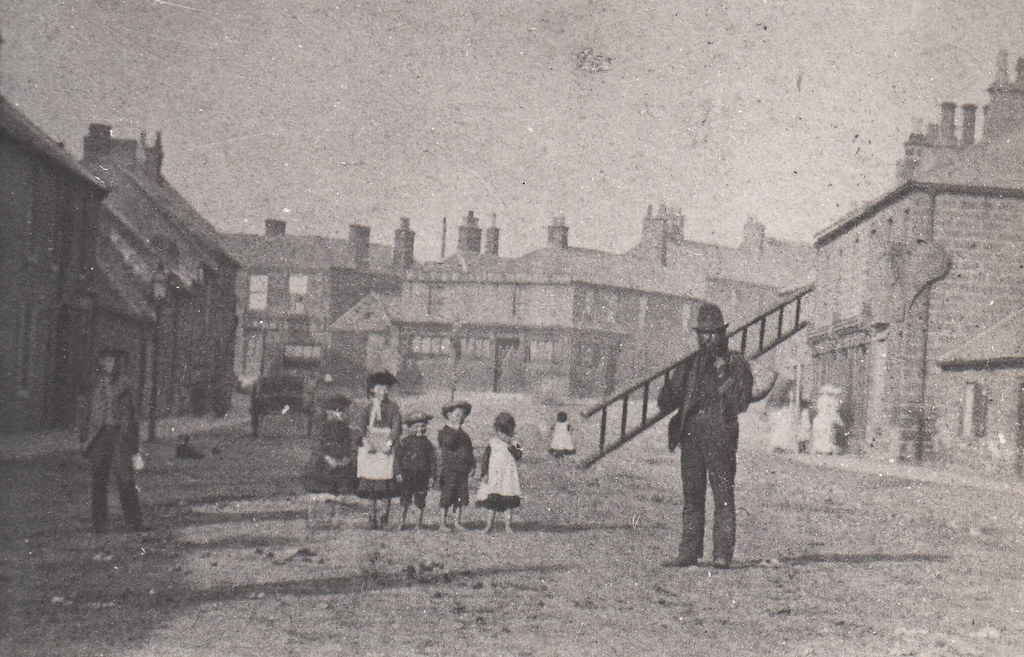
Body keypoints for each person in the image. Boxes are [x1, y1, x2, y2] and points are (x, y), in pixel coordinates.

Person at [656, 302, 756, 569]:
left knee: (723, 496)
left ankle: (722, 554)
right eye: (703, 333)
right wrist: (669, 384)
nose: (708, 338)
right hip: (691, 436)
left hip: (721, 436)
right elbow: (668, 402)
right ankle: (688, 552)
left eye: (713, 333)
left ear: (722, 334)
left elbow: (742, 402)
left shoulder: (735, 363)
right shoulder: (689, 364)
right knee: (692, 496)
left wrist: (725, 376)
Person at [79, 349, 145, 533]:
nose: (112, 365)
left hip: (119, 436)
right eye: (108, 361)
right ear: (101, 363)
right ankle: (99, 523)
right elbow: (85, 411)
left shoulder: (124, 384)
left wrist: (132, 441)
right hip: (99, 435)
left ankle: (134, 521)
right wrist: (84, 438)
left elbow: (131, 414)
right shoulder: (94, 384)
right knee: (98, 479)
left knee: (125, 479)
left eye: (115, 361)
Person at [354, 371, 402, 529]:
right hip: (370, 447)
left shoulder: (393, 407)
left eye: (386, 389)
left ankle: (384, 517)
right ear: (372, 390)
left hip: (386, 447)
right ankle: (371, 517)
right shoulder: (367, 408)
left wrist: (389, 443)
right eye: (380, 389)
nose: (383, 392)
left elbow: (396, 427)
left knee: (386, 485)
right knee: (371, 485)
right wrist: (365, 442)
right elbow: (361, 427)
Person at [475, 412, 523, 534]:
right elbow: (485, 459)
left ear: (511, 431)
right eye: (500, 432)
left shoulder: (516, 443)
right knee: (492, 501)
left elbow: (519, 455)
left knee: (508, 502)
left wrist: (510, 445)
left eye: (506, 433)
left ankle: (508, 526)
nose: (503, 435)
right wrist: (484, 473)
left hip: (507, 477)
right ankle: (489, 525)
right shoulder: (492, 442)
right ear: (497, 431)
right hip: (495, 476)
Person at [303, 393, 357, 497]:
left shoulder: (345, 428)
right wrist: (327, 458)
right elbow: (317, 446)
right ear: (328, 412)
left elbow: (349, 444)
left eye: (341, 412)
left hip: (341, 458)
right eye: (335, 411)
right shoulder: (321, 427)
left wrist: (346, 458)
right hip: (325, 458)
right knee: (322, 476)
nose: (339, 415)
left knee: (346, 477)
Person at [394, 411, 437, 530]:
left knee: (420, 500)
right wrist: (398, 472)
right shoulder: (404, 442)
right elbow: (397, 458)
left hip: (422, 475)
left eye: (422, 426)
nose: (419, 429)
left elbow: (433, 461)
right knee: (404, 500)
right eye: (416, 426)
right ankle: (401, 522)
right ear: (410, 427)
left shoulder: (427, 444)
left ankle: (418, 524)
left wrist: (432, 476)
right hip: (407, 474)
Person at [437, 400, 475, 531]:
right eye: (457, 414)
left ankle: (457, 522)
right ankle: (442, 522)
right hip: (450, 469)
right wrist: (456, 430)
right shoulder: (444, 432)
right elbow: (449, 443)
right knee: (447, 495)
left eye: (463, 415)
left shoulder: (464, 435)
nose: (461, 417)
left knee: (460, 496)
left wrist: (472, 465)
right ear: (449, 415)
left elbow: (469, 451)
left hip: (462, 469)